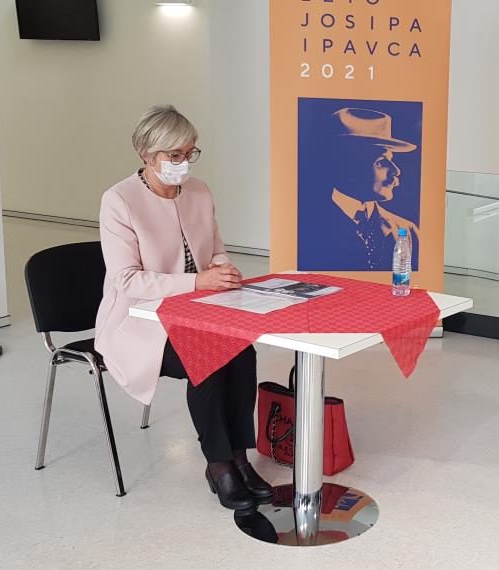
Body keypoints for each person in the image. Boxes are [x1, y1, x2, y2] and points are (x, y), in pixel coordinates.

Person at [95, 105, 272, 510]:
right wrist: (197, 282)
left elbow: (216, 249)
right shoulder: (119, 200)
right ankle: (219, 466)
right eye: (174, 155)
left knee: (242, 351)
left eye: (190, 153)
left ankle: (240, 459)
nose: (184, 163)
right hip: (139, 322)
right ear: (146, 154)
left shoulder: (199, 192)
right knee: (206, 358)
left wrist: (223, 270)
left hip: (200, 312)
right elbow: (126, 281)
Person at [298, 107, 420, 271]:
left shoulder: (407, 232)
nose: (396, 171)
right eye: (381, 162)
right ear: (348, 165)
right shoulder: (306, 228)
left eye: (391, 160)